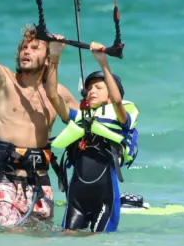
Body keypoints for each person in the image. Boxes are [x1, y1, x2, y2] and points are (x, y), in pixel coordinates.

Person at [0, 0, 79, 229]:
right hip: (5, 179)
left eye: (35, 48)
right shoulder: (4, 81)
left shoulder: (60, 94)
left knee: (41, 242)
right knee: (11, 237)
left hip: (41, 182)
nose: (26, 51)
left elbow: (86, 123)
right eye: (24, 47)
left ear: (47, 59)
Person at [44, 41, 141, 233]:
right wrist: (54, 57)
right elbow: (53, 96)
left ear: (109, 96)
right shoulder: (79, 117)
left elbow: (118, 100)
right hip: (76, 198)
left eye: (98, 87)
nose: (91, 92)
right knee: (66, 241)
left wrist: (102, 63)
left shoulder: (120, 117)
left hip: (105, 199)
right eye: (89, 89)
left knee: (99, 245)